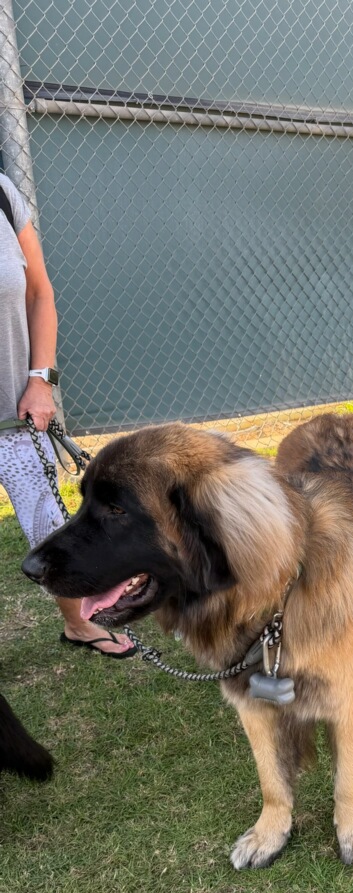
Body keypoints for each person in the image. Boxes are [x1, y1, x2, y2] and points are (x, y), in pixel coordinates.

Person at [0, 171, 135, 658]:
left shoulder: (2, 192)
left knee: (49, 527)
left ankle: (79, 625)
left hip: (15, 415)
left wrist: (41, 381)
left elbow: (40, 292)